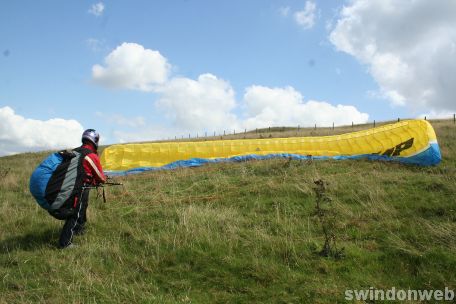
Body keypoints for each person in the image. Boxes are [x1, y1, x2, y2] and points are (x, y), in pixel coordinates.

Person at [59, 129, 106, 248]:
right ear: (95, 141)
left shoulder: (75, 151)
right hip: (80, 188)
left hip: (67, 186)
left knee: (81, 208)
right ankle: (65, 243)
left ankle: (79, 229)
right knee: (75, 212)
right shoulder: (91, 155)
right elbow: (101, 177)